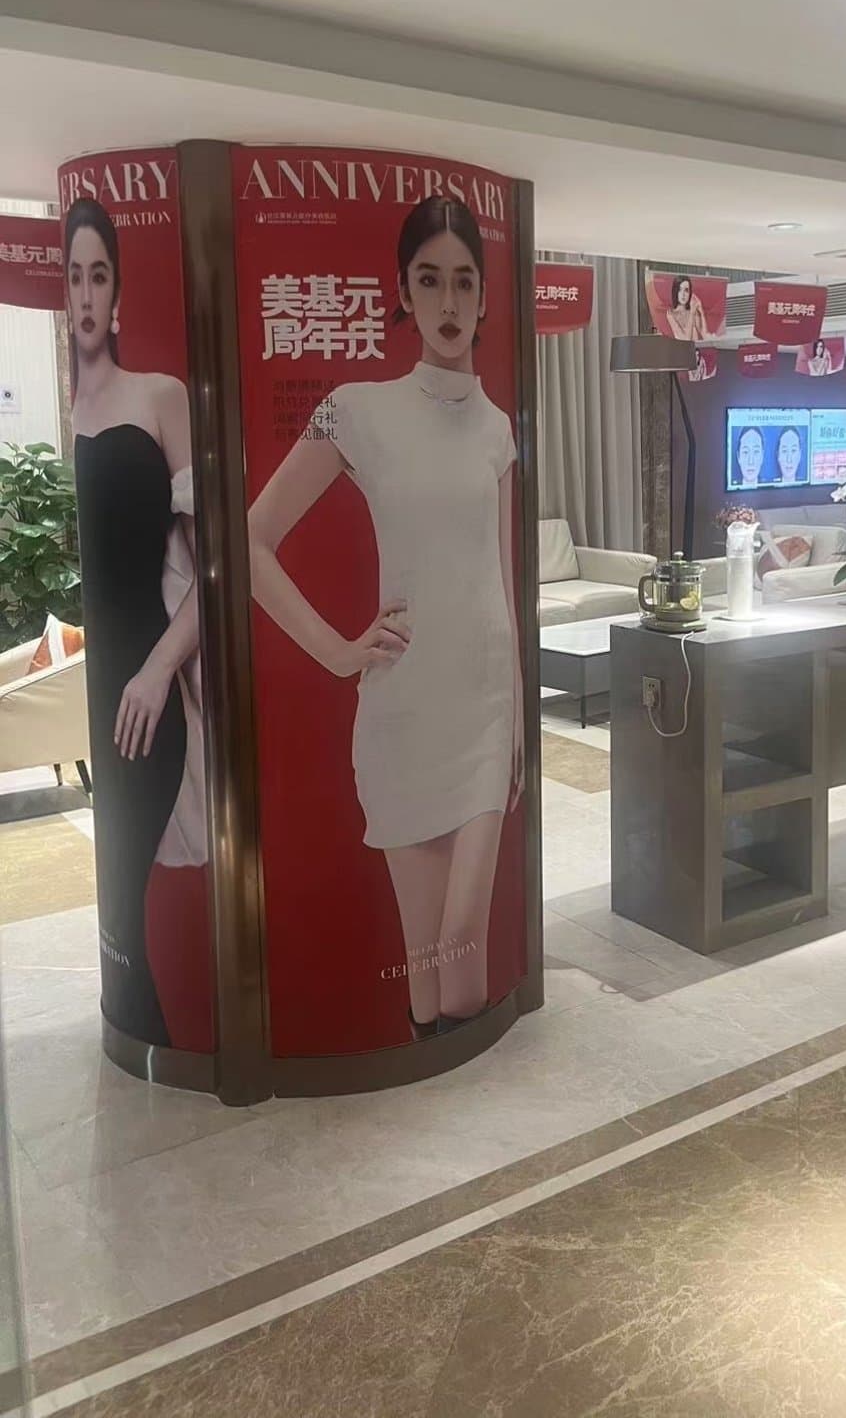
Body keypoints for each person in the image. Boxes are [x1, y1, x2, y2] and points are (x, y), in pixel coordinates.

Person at [248, 197, 523, 1041]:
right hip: (403, 710)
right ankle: (436, 1086)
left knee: (463, 948)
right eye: (429, 281)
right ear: (402, 293)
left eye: (464, 282)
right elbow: (250, 539)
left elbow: (501, 583)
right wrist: (337, 653)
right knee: (427, 972)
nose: (449, 302)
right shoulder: (355, 407)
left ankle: (461, 1087)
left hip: (483, 706)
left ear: (485, 298)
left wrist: (518, 720)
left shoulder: (498, 431)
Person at [66, 197, 203, 1048]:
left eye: (100, 276)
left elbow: (216, 566)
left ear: (117, 292)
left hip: (147, 704)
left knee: (121, 899)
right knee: (119, 910)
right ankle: (147, 1053)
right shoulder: (74, 410)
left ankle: (157, 1059)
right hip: (100, 697)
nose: (87, 294)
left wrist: (157, 672)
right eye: (75, 276)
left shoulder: (161, 397)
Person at [666, 276, 709, 342]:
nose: (683, 294)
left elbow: (705, 336)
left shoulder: (693, 310)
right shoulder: (670, 314)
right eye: (680, 290)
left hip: (695, 347)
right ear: (675, 291)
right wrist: (692, 312)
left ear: (690, 293)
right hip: (681, 348)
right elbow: (686, 339)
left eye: (686, 290)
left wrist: (701, 310)